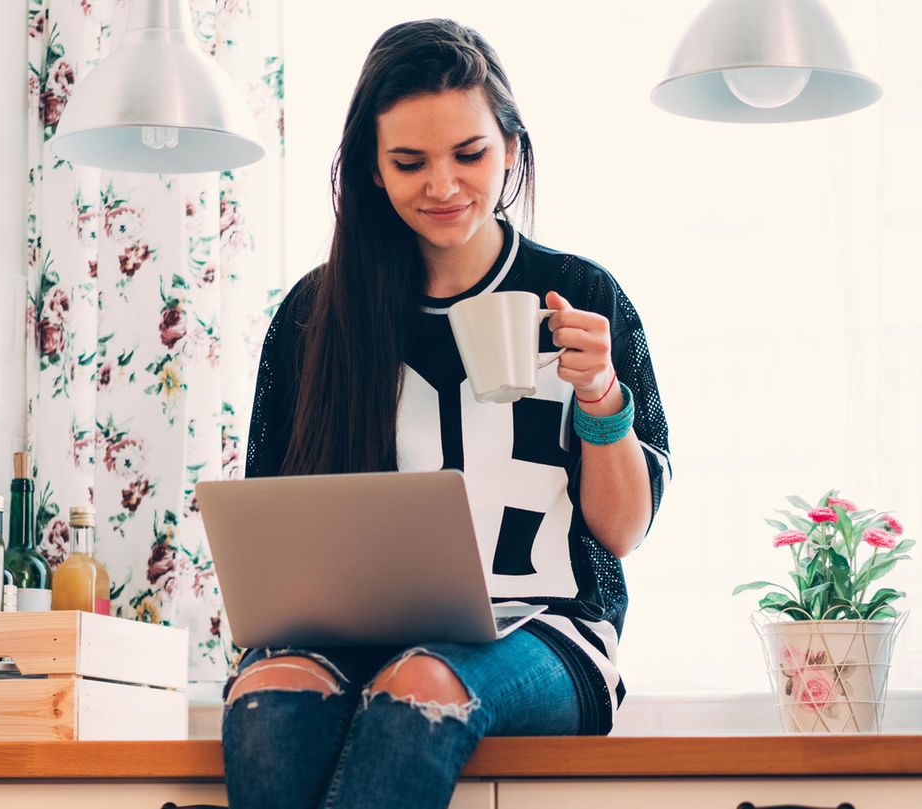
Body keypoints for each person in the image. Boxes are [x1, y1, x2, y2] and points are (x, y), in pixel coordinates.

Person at [221, 18, 671, 809]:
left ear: (511, 149)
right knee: (270, 697)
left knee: (421, 683)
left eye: (470, 154)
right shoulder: (313, 316)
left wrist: (601, 395)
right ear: (372, 168)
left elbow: (623, 530)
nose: (443, 185)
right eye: (409, 162)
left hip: (548, 629)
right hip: (350, 637)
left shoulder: (582, 295)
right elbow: (270, 535)